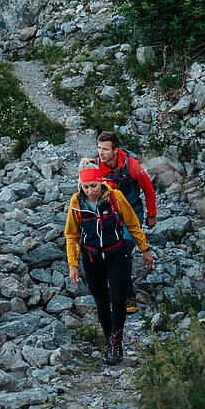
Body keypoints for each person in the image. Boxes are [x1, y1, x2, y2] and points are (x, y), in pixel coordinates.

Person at [63, 166, 153, 365]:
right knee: (101, 301)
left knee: (118, 299)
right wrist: (73, 265)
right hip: (91, 258)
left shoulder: (116, 197)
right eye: (86, 187)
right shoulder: (77, 203)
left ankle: (116, 339)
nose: (90, 191)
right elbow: (71, 235)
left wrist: (144, 249)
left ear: (101, 182)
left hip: (116, 254)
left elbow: (132, 224)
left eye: (94, 186)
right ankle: (109, 340)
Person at [95, 131, 156, 312]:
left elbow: (148, 189)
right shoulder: (97, 167)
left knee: (125, 250)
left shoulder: (133, 166)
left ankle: (128, 296)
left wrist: (151, 214)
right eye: (99, 148)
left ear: (116, 150)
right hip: (111, 213)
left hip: (132, 211)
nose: (101, 153)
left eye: (105, 149)